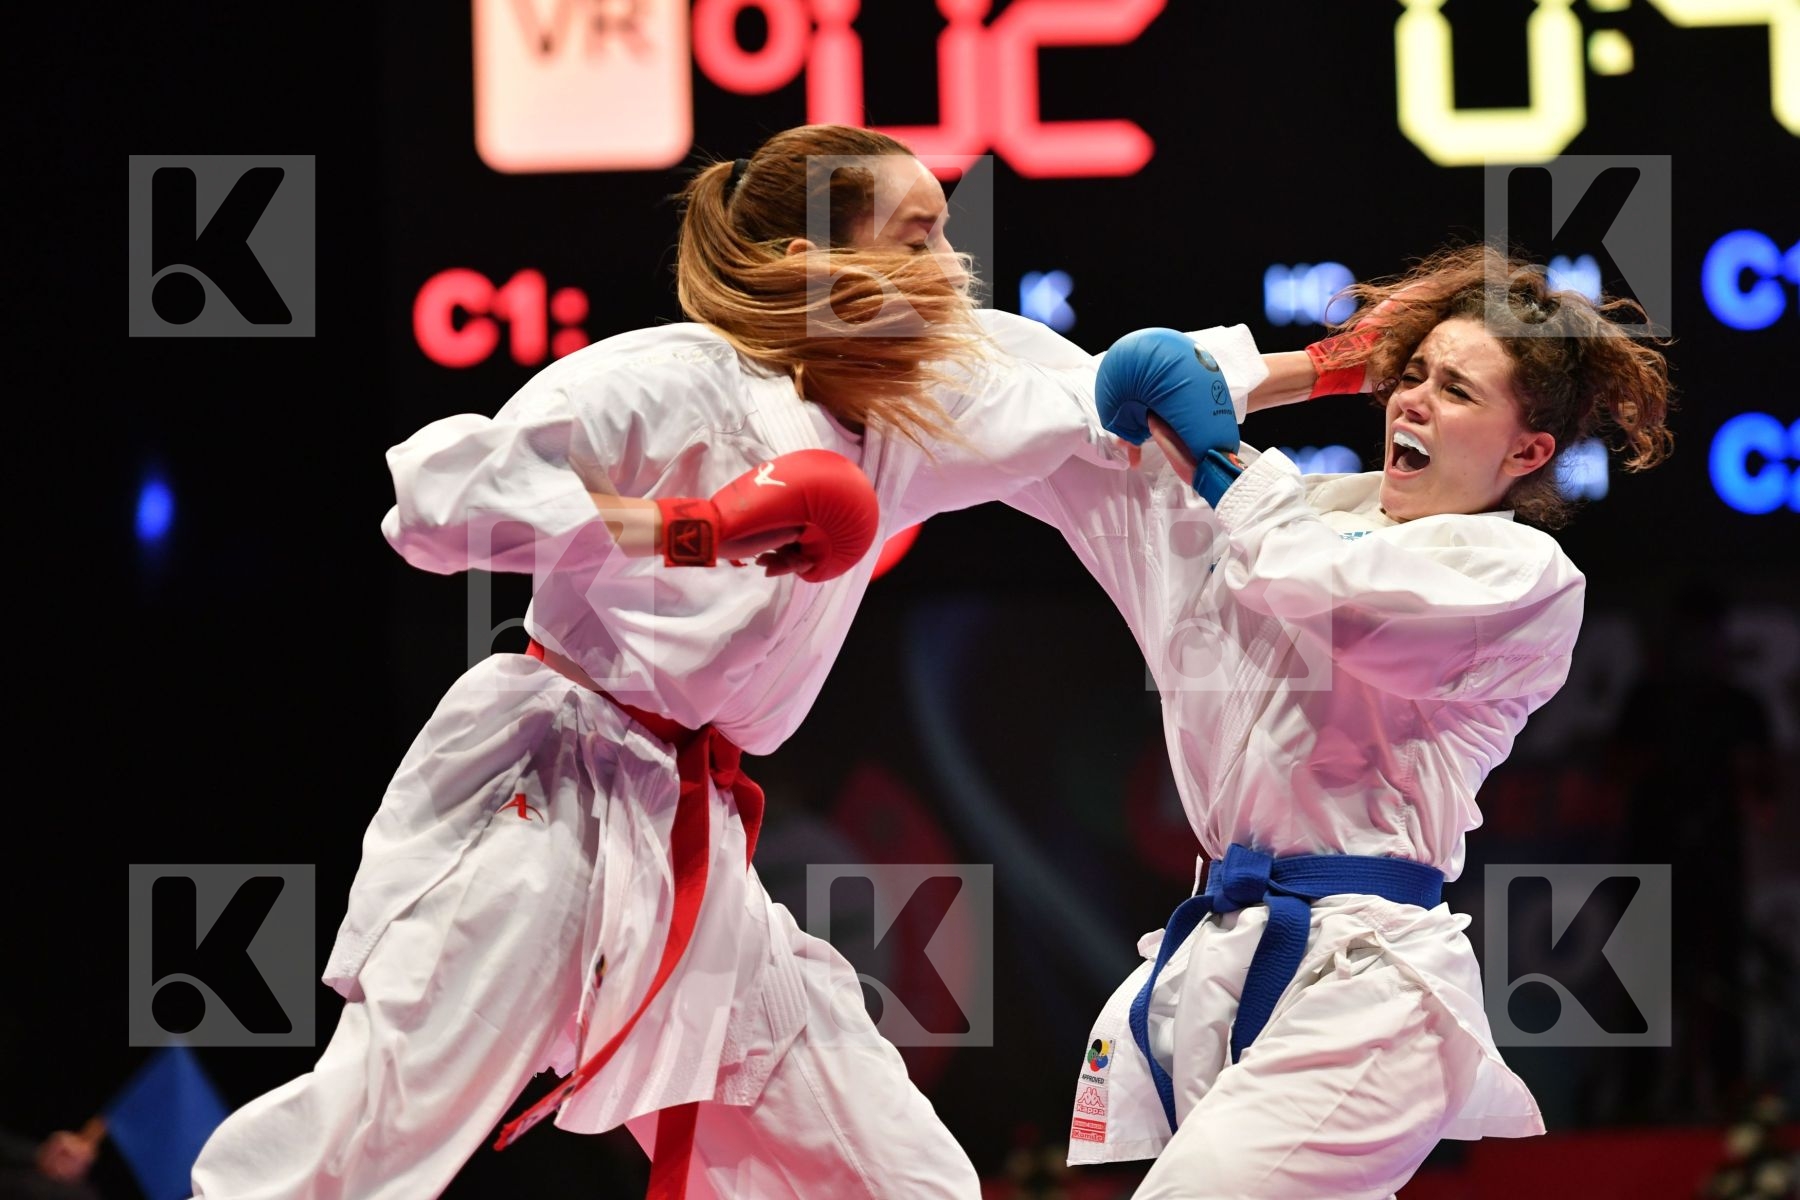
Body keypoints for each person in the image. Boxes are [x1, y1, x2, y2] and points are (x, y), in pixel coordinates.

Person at [188, 124, 1130, 1200]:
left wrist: (1326, 365)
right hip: (542, 787)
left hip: (687, 828)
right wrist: (694, 528)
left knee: (886, 1172)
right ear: (809, 265)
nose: (949, 265)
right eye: (917, 236)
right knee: (377, 1134)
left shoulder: (897, 424)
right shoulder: (671, 380)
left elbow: (1095, 398)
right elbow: (435, 507)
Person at [1007, 243, 1675, 1198]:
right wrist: (1303, 371)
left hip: (1370, 979)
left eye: (1455, 389)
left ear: (1527, 453)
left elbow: (1332, 598)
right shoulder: (1289, 510)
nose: (1412, 398)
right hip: (1218, 958)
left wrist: (1221, 459)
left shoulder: (1519, 576)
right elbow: (1124, 387)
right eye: (1409, 374)